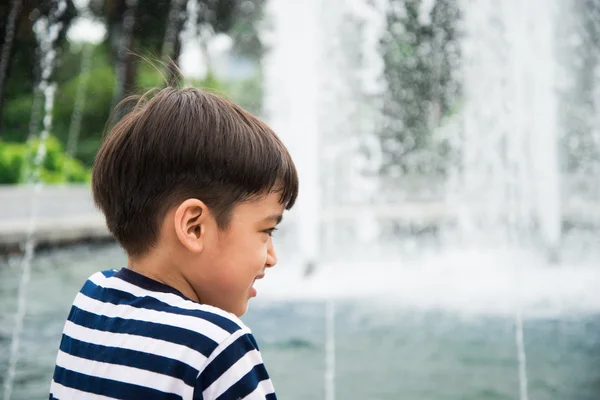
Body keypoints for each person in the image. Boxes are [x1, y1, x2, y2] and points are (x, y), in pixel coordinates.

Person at [49, 85, 299, 399]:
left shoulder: (92, 299)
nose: (272, 257)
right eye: (266, 231)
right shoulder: (217, 343)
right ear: (194, 227)